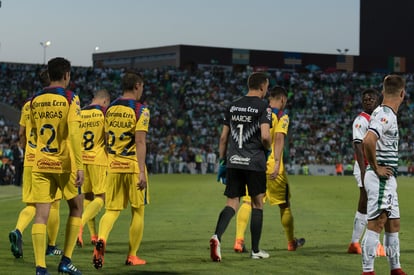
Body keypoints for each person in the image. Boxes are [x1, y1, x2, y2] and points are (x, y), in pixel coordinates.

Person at [233, 86, 305, 253]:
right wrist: (278, 161)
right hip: (273, 166)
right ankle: (290, 242)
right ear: (282, 100)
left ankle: (239, 240)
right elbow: (279, 137)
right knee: (284, 205)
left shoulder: (257, 113)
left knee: (248, 201)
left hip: (253, 163)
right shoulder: (282, 116)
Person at [210, 72, 272, 262]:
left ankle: (217, 237)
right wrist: (268, 150)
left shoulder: (232, 105)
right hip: (254, 162)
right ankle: (255, 250)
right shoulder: (264, 106)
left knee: (232, 203)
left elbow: (223, 138)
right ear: (262, 86)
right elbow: (265, 136)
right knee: (257, 204)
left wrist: (221, 161)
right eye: (267, 87)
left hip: (234, 161)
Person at [30, 57, 84, 275]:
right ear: (66, 75)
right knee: (77, 207)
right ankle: (65, 261)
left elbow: (34, 133)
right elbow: (72, 134)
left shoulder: (34, 100)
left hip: (40, 162)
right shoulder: (71, 99)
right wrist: (79, 166)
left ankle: (40, 268)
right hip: (64, 164)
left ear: (49, 74)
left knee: (40, 214)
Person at [93, 71, 150, 269]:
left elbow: (108, 138)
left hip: (114, 165)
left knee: (111, 210)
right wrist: (141, 172)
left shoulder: (109, 109)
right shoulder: (141, 110)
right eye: (142, 87)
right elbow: (140, 141)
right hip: (133, 166)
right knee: (138, 212)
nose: (142, 91)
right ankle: (132, 256)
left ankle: (101, 239)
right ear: (136, 86)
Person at [9, 70, 63, 260]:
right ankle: (51, 246)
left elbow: (22, 133)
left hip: (30, 159)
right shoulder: (60, 102)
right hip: (49, 159)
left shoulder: (28, 104)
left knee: (33, 204)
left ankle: (18, 230)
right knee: (53, 205)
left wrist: (26, 151)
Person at [361, 75, 407, 275]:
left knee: (392, 223)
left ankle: (395, 268)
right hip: (381, 177)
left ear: (382, 92)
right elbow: (368, 141)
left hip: (388, 177)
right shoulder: (385, 114)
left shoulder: (383, 112)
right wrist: (376, 166)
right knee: (377, 222)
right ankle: (368, 271)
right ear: (402, 94)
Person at [348, 88, 385, 257]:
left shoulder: (379, 118)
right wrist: (364, 172)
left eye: (371, 98)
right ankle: (371, 244)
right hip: (365, 166)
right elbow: (358, 146)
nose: (368, 100)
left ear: (378, 99)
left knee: (368, 203)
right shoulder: (360, 120)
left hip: (376, 165)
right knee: (372, 202)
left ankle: (355, 243)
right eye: (365, 99)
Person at [76, 89, 110, 248]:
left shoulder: (80, 113)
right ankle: (79, 224)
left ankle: (93, 235)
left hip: (82, 160)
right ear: (104, 101)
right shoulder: (104, 113)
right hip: (98, 158)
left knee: (88, 197)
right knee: (101, 198)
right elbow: (108, 137)